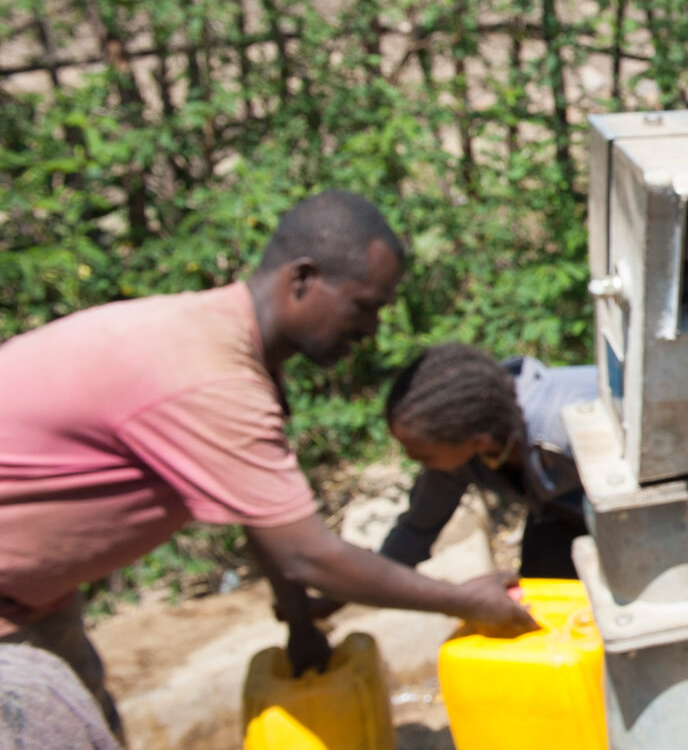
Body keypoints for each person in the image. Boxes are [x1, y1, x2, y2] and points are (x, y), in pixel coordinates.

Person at [0, 191, 535, 742]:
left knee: (86, 724)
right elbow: (306, 555)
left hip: (34, 599)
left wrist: (301, 626)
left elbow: (258, 519)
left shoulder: (220, 345)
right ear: (302, 279)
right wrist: (463, 600)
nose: (372, 329)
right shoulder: (211, 377)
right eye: (364, 305)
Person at [374, 343, 596, 580]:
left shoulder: (568, 429)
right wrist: (354, 584)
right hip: (564, 516)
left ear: (477, 440)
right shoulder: (461, 452)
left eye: (422, 455)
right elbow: (417, 528)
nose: (410, 458)